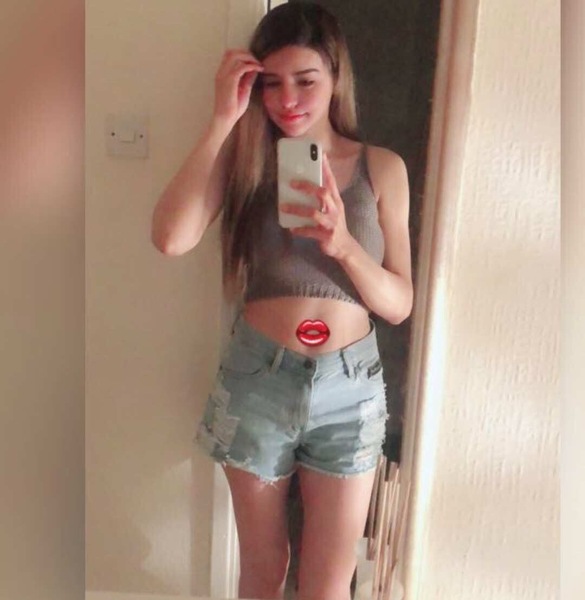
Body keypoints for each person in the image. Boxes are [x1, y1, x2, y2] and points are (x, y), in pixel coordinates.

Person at [151, 3, 412, 599]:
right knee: (262, 570)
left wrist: (343, 245)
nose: (287, 99)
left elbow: (399, 304)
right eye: (271, 83)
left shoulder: (380, 168)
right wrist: (224, 118)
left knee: (327, 584)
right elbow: (169, 238)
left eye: (305, 80)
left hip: (351, 390)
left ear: (336, 77)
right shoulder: (246, 161)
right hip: (257, 379)